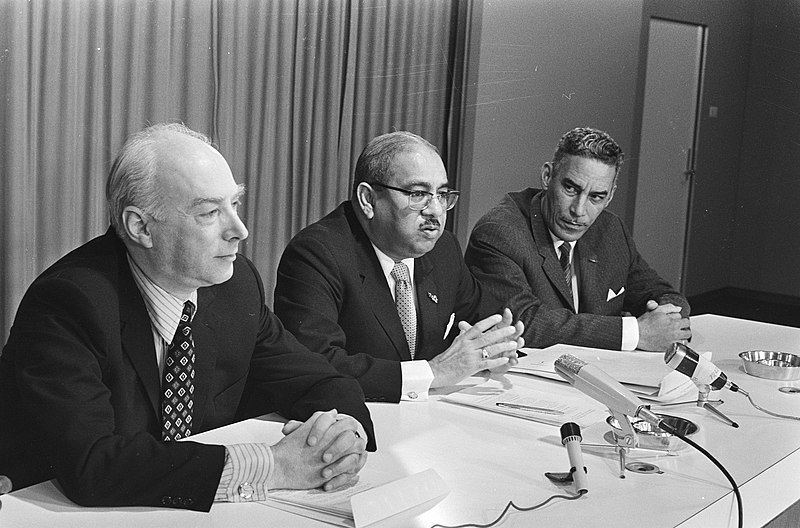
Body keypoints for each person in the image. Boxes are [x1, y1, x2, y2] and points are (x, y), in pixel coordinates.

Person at [0, 123, 375, 511]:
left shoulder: (235, 285)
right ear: (140, 226)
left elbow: (319, 381)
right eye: (210, 212)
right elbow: (94, 465)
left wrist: (343, 435)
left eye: (235, 204)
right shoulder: (69, 302)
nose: (239, 230)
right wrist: (275, 466)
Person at [274, 131, 524, 403]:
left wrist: (494, 349)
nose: (436, 211)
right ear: (368, 200)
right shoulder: (317, 254)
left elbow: (486, 319)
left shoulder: (443, 249)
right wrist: (433, 372)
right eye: (418, 194)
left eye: (442, 195)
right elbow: (317, 363)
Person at [465, 126, 691, 351]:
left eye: (596, 197)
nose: (579, 210)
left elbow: (664, 294)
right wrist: (635, 333)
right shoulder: (498, 233)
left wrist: (665, 319)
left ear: (610, 195)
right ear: (547, 176)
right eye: (571, 189)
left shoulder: (610, 229)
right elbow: (523, 323)